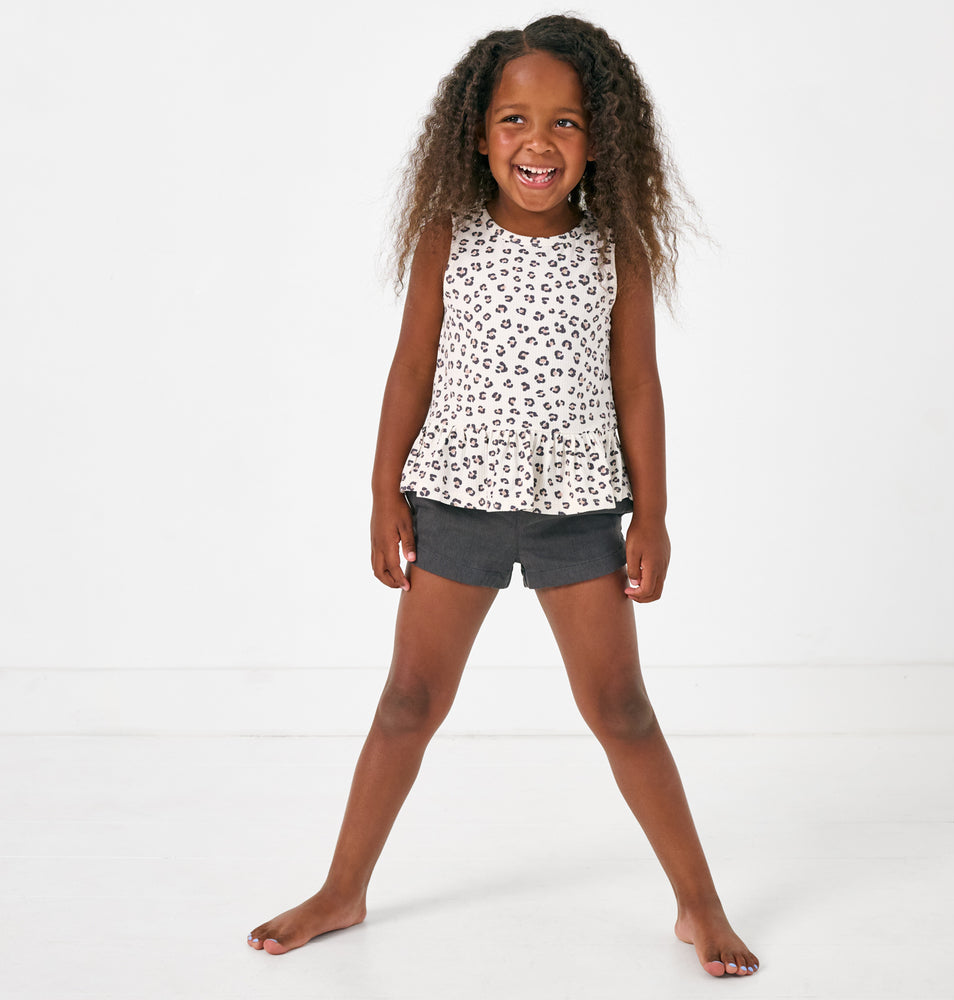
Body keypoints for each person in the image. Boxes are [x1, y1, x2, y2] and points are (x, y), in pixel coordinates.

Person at [247, 14, 759, 978]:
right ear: (478, 136)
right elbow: (411, 368)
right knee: (409, 700)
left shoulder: (615, 249)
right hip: (454, 504)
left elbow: (638, 384)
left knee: (622, 708)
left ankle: (699, 903)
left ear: (600, 139)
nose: (539, 141)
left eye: (567, 122)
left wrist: (652, 515)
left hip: (578, 511)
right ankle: (343, 888)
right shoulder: (448, 237)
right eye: (515, 119)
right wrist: (382, 492)